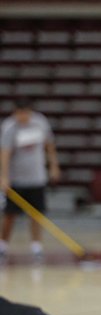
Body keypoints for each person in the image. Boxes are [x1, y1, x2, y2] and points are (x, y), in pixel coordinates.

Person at [0, 97, 61, 261]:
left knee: (36, 214)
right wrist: (4, 177)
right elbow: (4, 153)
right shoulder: (9, 127)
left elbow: (49, 144)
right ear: (15, 112)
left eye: (25, 113)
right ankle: (3, 247)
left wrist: (54, 166)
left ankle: (36, 247)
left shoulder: (40, 123)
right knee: (9, 214)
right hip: (16, 180)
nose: (23, 117)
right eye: (20, 113)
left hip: (37, 178)